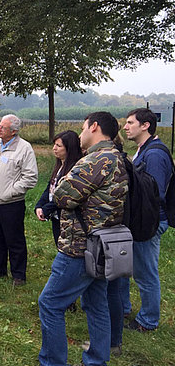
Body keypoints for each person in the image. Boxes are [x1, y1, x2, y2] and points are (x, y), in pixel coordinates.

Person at [38, 111, 128, 366]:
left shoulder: (96, 160)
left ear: (95, 127)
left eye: (82, 127)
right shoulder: (118, 156)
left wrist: (65, 181)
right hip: (104, 245)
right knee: (96, 302)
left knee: (50, 303)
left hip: (80, 247)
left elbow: (62, 196)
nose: (79, 134)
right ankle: (97, 359)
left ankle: (52, 361)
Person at [121, 108, 172, 332]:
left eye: (130, 123)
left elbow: (155, 193)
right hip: (140, 220)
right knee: (131, 268)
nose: (125, 127)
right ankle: (123, 307)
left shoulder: (155, 154)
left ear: (145, 126)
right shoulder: (144, 150)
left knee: (145, 273)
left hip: (149, 222)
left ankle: (148, 321)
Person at [0, 114, 38, 286]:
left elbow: (30, 177)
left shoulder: (24, 148)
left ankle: (19, 275)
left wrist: (11, 192)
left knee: (14, 240)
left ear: (13, 131)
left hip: (11, 203)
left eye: (3, 127)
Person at [35, 130, 83, 246]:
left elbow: (65, 194)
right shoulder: (60, 165)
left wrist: (47, 209)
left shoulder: (75, 169)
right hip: (55, 216)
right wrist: (39, 205)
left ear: (69, 148)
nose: (54, 148)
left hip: (68, 219)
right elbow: (50, 187)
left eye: (58, 146)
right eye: (54, 145)